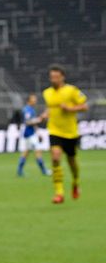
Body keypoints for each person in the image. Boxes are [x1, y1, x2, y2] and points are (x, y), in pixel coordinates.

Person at [39, 65, 88, 203]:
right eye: (51, 77)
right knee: (55, 158)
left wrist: (70, 108)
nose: (53, 79)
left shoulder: (71, 91)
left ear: (62, 77)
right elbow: (50, 108)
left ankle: (75, 182)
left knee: (72, 162)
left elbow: (85, 106)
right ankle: (59, 193)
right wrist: (44, 114)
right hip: (54, 130)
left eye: (56, 77)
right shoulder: (47, 93)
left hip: (70, 133)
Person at [16, 94, 49, 177]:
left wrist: (38, 132)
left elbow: (33, 124)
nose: (35, 100)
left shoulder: (31, 110)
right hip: (29, 134)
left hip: (31, 133)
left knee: (26, 152)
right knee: (38, 151)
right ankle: (44, 171)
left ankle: (19, 171)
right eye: (33, 99)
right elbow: (28, 122)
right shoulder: (27, 110)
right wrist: (40, 118)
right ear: (29, 100)